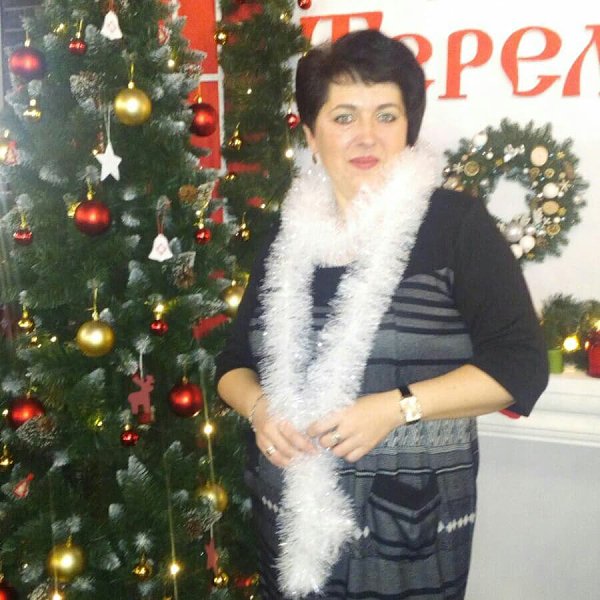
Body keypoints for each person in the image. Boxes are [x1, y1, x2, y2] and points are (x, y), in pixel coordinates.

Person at [215, 29, 548, 600]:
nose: (366, 135)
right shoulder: (285, 237)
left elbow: (520, 367)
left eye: (386, 115)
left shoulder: (454, 225)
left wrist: (398, 408)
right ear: (312, 133)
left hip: (409, 532)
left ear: (408, 128)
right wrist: (260, 408)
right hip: (288, 524)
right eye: (344, 116)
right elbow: (234, 362)